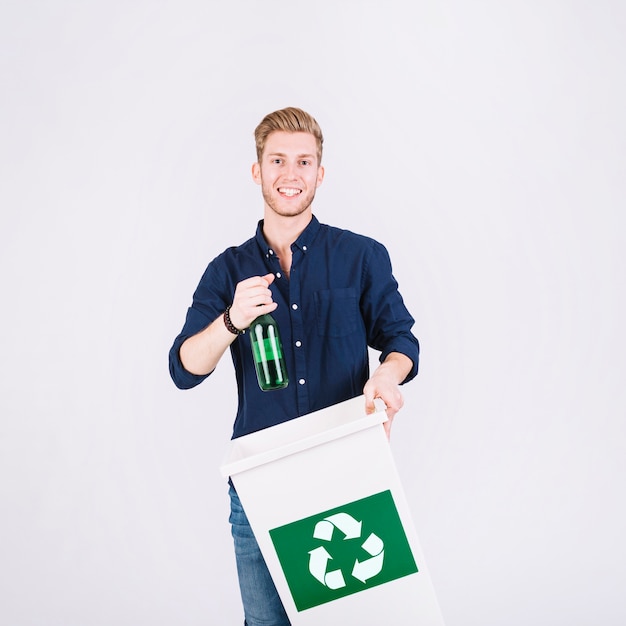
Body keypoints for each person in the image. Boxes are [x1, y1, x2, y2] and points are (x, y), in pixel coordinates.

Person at [168, 106, 420, 626]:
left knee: (360, 619)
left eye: (304, 162)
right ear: (257, 171)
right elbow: (184, 367)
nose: (291, 174)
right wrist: (231, 321)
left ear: (320, 174)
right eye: (277, 160)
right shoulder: (229, 269)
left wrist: (386, 376)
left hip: (348, 470)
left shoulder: (361, 256)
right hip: (260, 482)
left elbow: (401, 342)